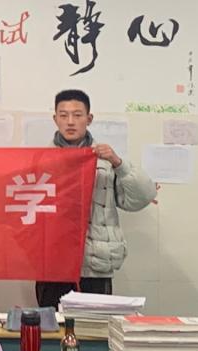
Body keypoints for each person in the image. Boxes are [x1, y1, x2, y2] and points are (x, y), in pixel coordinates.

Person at [35, 89, 157, 309]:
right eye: (63, 115)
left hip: (95, 265)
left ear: (89, 119)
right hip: (53, 264)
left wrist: (119, 163)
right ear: (55, 119)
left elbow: (143, 197)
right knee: (52, 325)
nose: (70, 121)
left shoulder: (105, 161)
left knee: (94, 326)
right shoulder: (40, 161)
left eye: (77, 115)